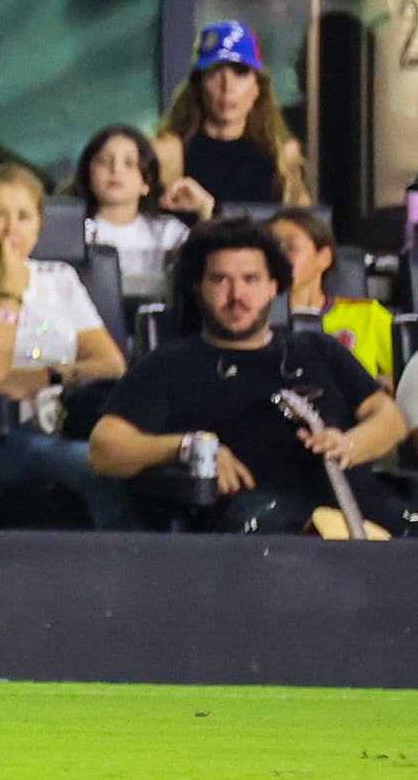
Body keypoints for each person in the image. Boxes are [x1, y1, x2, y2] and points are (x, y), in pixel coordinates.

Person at [89, 216, 410, 534]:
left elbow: (389, 418)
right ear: (199, 287)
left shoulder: (320, 349)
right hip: (259, 525)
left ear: (274, 286)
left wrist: (350, 444)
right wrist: (186, 447)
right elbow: (105, 448)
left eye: (251, 279)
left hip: (359, 509)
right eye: (221, 280)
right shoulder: (168, 364)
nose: (237, 296)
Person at [0, 164, 131, 529]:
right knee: (93, 465)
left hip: (75, 420)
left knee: (127, 459)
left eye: (23, 217)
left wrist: (49, 375)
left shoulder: (61, 279)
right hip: (2, 436)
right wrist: (10, 293)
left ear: (39, 225)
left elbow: (110, 364)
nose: (11, 230)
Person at [154, 20, 308, 207]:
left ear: (257, 87)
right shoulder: (170, 153)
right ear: (198, 85)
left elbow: (306, 226)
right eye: (214, 73)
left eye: (240, 72)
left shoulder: (282, 157)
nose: (228, 87)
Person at [268, 207, 395, 390]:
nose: (278, 257)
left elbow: (409, 373)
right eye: (272, 249)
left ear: (324, 258)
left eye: (290, 247)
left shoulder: (367, 315)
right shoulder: (252, 319)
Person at [67, 124, 199, 299]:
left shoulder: (168, 232)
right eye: (104, 161)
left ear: (146, 181)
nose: (115, 170)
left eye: (129, 163)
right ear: (88, 174)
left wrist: (205, 210)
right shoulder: (72, 234)